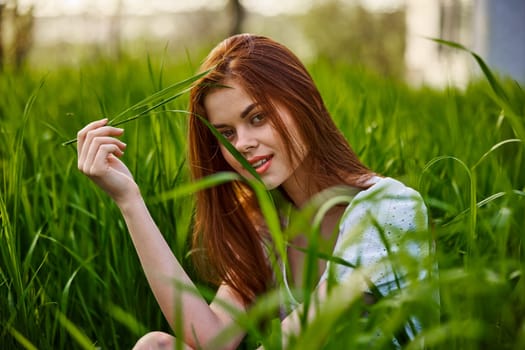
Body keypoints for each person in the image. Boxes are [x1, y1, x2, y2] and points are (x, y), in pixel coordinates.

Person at [76, 33, 430, 349]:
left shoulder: (388, 208)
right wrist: (129, 200)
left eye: (257, 117)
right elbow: (211, 338)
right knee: (156, 345)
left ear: (302, 101)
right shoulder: (268, 228)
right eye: (226, 134)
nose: (242, 144)